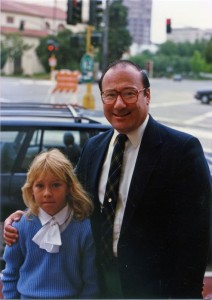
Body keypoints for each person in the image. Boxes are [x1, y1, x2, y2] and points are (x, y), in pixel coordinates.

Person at [4, 60, 211, 299]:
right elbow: (69, 203)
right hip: (97, 284)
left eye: (129, 94)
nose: (119, 104)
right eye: (110, 95)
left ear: (147, 95)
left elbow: (195, 240)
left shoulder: (182, 150)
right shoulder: (94, 147)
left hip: (153, 290)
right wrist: (22, 216)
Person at [2, 149, 99, 299]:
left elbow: (91, 283)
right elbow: (10, 275)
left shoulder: (83, 228)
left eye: (55, 185)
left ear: (68, 187)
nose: (47, 193)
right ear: (31, 189)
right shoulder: (20, 226)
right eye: (40, 186)